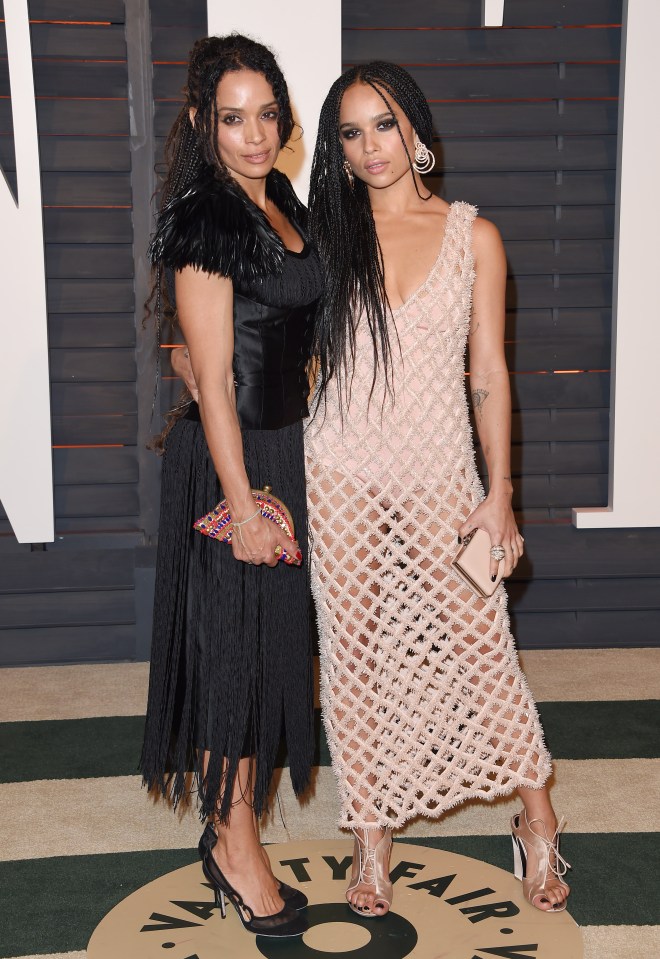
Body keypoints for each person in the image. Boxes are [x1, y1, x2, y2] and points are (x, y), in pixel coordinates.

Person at [304, 61, 571, 918]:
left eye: (384, 124)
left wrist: (499, 492)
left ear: (417, 132)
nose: (371, 146)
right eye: (351, 132)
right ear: (338, 152)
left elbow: (487, 372)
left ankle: (537, 821)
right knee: (355, 655)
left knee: (481, 641)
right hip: (338, 468)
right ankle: (372, 836)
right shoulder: (324, 238)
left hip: (441, 475)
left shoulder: (472, 236)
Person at [139, 35, 323, 938]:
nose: (254, 135)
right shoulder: (207, 219)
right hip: (232, 465)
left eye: (266, 114)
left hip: (284, 450)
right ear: (202, 125)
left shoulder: (283, 201)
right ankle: (233, 839)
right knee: (232, 656)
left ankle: (234, 823)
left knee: (267, 647)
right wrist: (244, 502)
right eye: (232, 117)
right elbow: (210, 378)